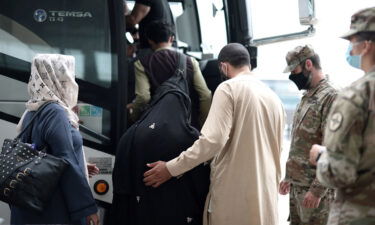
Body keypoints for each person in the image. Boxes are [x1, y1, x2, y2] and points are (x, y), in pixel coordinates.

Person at [143, 43, 286, 225]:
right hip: (266, 199)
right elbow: (277, 150)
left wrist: (171, 169)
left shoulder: (228, 88)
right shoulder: (274, 98)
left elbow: (212, 141)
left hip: (234, 200)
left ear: (224, 67)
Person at [11, 54, 99, 225]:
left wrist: (80, 162)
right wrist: (87, 208)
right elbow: (65, 158)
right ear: (58, 78)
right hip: (53, 209)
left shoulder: (32, 109)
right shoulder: (55, 111)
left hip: (33, 208)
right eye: (69, 76)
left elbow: (41, 154)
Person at [309, 7, 375, 225]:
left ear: (366, 45)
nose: (351, 49)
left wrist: (321, 156)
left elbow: (340, 173)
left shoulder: (357, 96)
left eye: (353, 41)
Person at [278, 45, 337, 225]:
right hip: (299, 187)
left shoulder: (331, 97)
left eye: (295, 70)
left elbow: (333, 149)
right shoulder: (307, 96)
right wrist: (290, 176)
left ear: (308, 64)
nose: (292, 76)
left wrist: (318, 190)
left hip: (317, 193)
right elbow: (300, 141)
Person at [128, 20, 212, 129]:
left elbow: (143, 98)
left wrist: (134, 117)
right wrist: (201, 123)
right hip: (188, 126)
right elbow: (205, 95)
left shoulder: (142, 64)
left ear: (150, 41)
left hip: (156, 128)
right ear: (171, 38)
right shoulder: (190, 61)